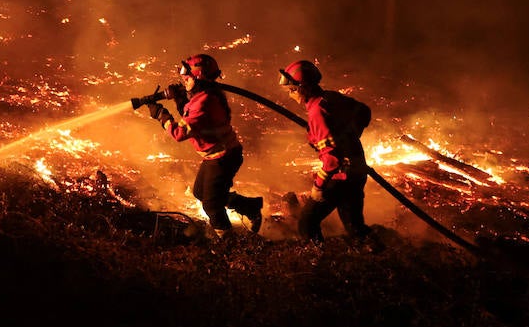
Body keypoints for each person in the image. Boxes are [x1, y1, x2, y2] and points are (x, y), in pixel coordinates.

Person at [140, 53, 264, 239]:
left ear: (199, 77)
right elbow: (189, 114)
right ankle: (249, 206)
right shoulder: (202, 96)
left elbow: (179, 133)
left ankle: (229, 244)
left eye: (187, 77)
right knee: (200, 192)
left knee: (211, 205)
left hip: (224, 157)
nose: (183, 79)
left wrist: (160, 114)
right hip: (215, 156)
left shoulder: (204, 102)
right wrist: (179, 99)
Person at [278, 59, 378, 248]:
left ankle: (320, 264)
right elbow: (364, 111)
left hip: (341, 176)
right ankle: (380, 257)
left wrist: (318, 187)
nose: (290, 95)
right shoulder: (329, 98)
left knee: (306, 224)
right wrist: (350, 137)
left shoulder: (317, 112)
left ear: (302, 88)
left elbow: (331, 160)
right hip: (357, 170)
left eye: (291, 90)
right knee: (355, 226)